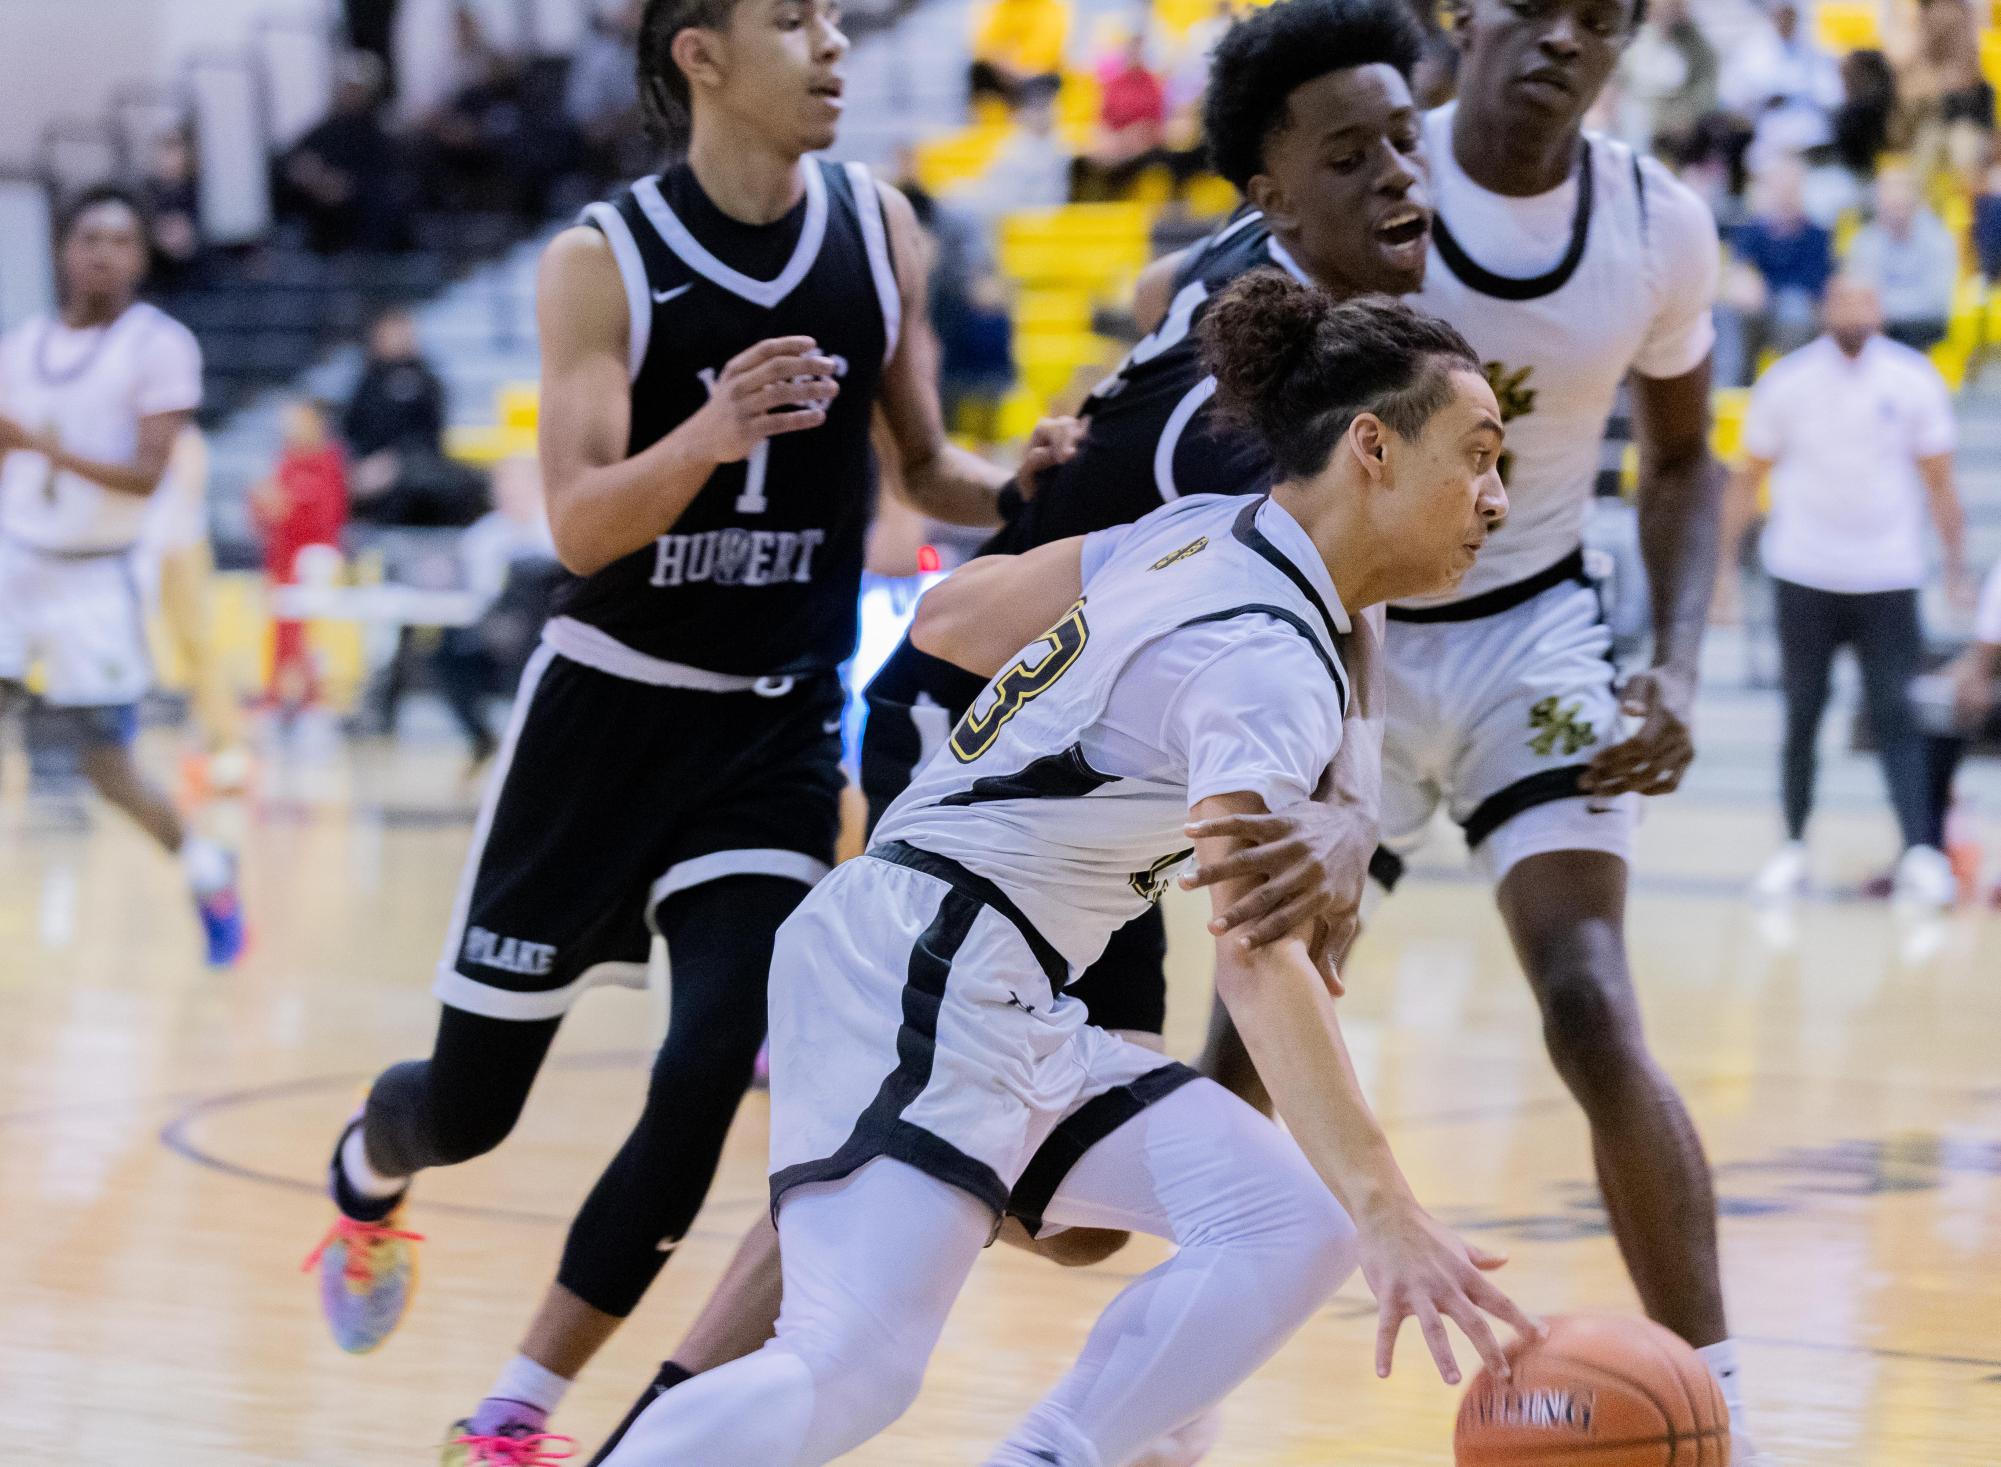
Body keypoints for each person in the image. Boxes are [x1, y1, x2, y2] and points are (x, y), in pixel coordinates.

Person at [580, 3, 1441, 1458]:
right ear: (1273, 193)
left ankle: (1075, 1422)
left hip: (1038, 799)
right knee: (874, 1302)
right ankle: (658, 1428)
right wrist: (1328, 800)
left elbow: (989, 588)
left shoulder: (1274, 310)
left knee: (1152, 1212)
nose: (1402, 180)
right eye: (1353, 157)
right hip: (963, 801)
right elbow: (1255, 899)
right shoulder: (1235, 455)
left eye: (1408, 143)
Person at [302, 0, 1045, 1446]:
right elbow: (580, 521)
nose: (833, 44)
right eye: (793, 19)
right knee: (467, 1107)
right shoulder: (603, 260)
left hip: (767, 738)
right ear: (698, 55)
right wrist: (710, 433)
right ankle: (363, 1171)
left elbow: (933, 463)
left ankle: (512, 1411)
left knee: (710, 1065)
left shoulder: (879, 227)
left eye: (836, 18)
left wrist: (1046, 478)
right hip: (602, 724)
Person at [1360, 0, 1755, 1448]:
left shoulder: (1659, 223)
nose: (1561, 41)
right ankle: (1164, 1410)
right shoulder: (1382, 181)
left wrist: (1677, 667)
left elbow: (1681, 459)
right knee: (1249, 1046)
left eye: (1600, 20)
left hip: (1533, 620)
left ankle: (1727, 1404)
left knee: (1589, 1000)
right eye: (1533, 7)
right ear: (1462, 16)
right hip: (1364, 630)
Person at [0, 185, 243, 966]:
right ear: (63, 250)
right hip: (14, 559)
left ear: (140, 257)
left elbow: (146, 475)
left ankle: (207, 871)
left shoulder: (158, 345)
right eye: (88, 236)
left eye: (120, 238)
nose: (102, 251)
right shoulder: (21, 345)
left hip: (96, 578)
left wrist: (39, 447)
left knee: (105, 765)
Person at [1727, 276, 1968, 909]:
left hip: (1888, 574)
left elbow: (1941, 483)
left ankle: (1920, 852)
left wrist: (1957, 567)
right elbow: (1748, 477)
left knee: (1896, 712)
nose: (1853, 311)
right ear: (1823, 309)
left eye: (1864, 300)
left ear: (1881, 309)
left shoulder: (1912, 380)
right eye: (1841, 301)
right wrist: (1723, 570)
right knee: (1802, 713)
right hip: (1803, 570)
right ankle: (1792, 847)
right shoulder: (1788, 382)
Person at [142, 424, 251, 792]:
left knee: (198, 644)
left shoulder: (183, 436)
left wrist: (169, 537)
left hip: (178, 546)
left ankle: (227, 748)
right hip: (132, 543)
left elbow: (188, 489)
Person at [251, 400, 348, 715]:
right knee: (280, 627)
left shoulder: (329, 461)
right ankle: (278, 691)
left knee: (302, 628)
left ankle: (309, 693)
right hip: (281, 554)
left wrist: (288, 506)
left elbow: (328, 518)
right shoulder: (286, 459)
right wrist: (265, 506)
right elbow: (267, 514)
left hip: (313, 557)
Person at [1720, 153, 1834, 385]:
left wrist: (1768, 289)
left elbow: (1816, 283)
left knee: (1794, 309)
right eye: (1779, 187)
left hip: (1801, 309)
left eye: (1791, 188)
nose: (1785, 195)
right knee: (1727, 312)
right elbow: (1739, 270)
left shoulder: (1817, 235)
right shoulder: (1751, 231)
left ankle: (1794, 386)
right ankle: (1735, 387)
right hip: (1759, 309)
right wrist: (1745, 283)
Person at [284, 51, 412, 254]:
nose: (350, 95)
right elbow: (294, 161)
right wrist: (306, 175)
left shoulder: (380, 136)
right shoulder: (323, 131)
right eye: (347, 88)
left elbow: (386, 180)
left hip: (364, 222)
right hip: (322, 221)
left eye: (357, 89)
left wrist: (349, 188)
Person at [1843, 165, 1958, 354]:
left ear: (1915, 203)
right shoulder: (1865, 242)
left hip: (1926, 326)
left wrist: (1889, 306)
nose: (1896, 212)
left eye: (1902, 205)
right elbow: (1864, 298)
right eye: (1890, 206)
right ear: (1878, 206)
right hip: (1881, 328)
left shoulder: (1939, 238)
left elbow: (1938, 297)